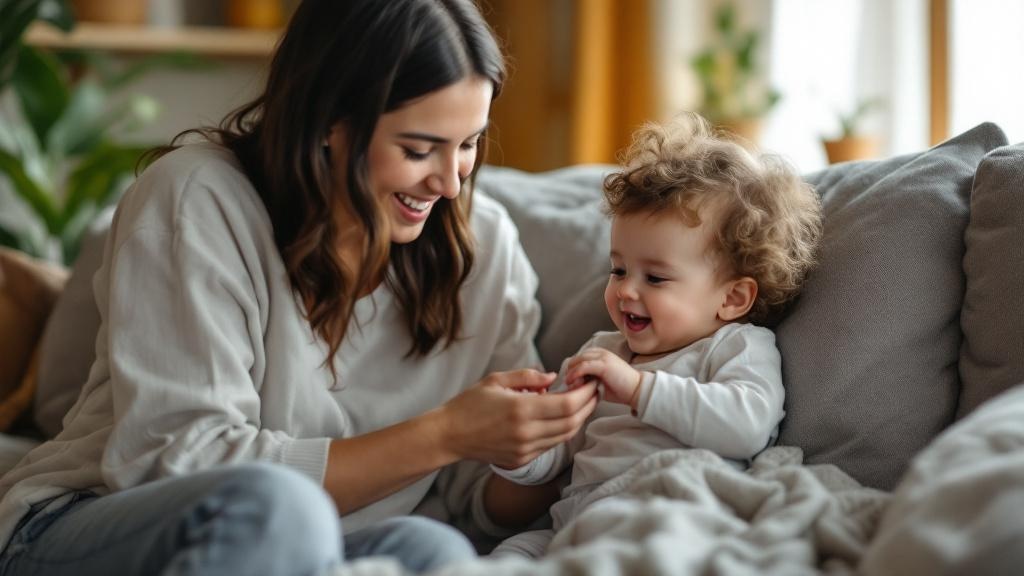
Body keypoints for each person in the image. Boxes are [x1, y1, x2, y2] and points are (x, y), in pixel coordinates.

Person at [0, 1, 599, 574]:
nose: (449, 183)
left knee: (432, 547)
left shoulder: (482, 247)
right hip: (92, 523)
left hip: (323, 546)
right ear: (331, 121)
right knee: (280, 508)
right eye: (419, 150)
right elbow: (178, 463)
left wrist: (540, 450)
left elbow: (475, 503)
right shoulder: (197, 201)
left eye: (468, 145)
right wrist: (445, 432)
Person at [488, 113, 824, 558]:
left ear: (732, 298)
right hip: (577, 522)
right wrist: (518, 447)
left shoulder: (736, 347)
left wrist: (639, 389)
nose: (626, 290)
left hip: (670, 510)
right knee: (509, 554)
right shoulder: (601, 353)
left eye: (656, 278)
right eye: (618, 270)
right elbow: (558, 455)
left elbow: (747, 429)